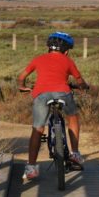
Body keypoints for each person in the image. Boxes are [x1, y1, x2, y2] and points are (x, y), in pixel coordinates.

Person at [18, 31, 89, 180]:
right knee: (73, 117)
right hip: (63, 92)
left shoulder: (38, 59)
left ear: (48, 48)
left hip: (41, 94)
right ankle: (75, 154)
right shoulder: (68, 61)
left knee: (38, 128)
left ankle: (31, 168)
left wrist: (22, 86)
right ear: (67, 51)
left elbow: (22, 76)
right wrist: (83, 86)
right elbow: (80, 80)